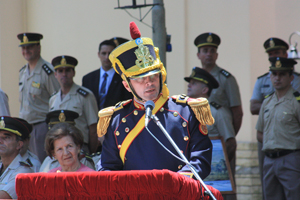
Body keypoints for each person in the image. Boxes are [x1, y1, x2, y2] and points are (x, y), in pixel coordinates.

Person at [97, 22, 213, 180]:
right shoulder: (116, 119)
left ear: (162, 76)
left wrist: (169, 186)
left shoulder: (187, 111)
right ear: (127, 85)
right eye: (140, 79)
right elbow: (107, 168)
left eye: (153, 76)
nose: (149, 82)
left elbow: (200, 160)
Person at [250, 37, 300, 199]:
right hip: (269, 159)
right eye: (274, 74)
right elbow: (259, 132)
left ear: (290, 77)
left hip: (291, 158)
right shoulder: (267, 101)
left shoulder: (296, 102)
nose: (277, 78)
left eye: (282, 74)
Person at [184, 67, 237, 200]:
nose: (189, 85)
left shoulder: (218, 113)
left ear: (205, 90)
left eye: (194, 83)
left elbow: (230, 143)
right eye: (189, 82)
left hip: (214, 179)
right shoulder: (183, 111)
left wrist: (218, 167)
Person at [17, 32, 60, 162]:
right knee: (27, 164)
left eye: (29, 47)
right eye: (24, 48)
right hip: (25, 128)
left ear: (38, 47)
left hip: (41, 127)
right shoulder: (23, 72)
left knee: (42, 164)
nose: (26, 51)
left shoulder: (47, 71)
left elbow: (57, 99)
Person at [194, 32, 243, 135]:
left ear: (216, 55)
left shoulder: (226, 79)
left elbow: (237, 112)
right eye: (205, 51)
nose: (209, 54)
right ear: (198, 55)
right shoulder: (195, 79)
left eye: (212, 51)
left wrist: (229, 137)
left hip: (219, 135)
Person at [49, 55, 98, 154]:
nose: (64, 74)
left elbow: (93, 129)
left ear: (74, 73)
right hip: (59, 149)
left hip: (80, 148)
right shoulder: (53, 99)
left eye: (67, 70)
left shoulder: (85, 96)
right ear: (55, 74)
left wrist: (91, 153)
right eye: (60, 71)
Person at [82, 37, 133, 110]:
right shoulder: (88, 79)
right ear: (98, 54)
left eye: (110, 54)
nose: (106, 57)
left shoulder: (123, 77)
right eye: (103, 53)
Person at [0, 116, 33, 199]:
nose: (0, 141)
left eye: (6, 137)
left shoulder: (24, 172)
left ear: (19, 144)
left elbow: (4, 197)